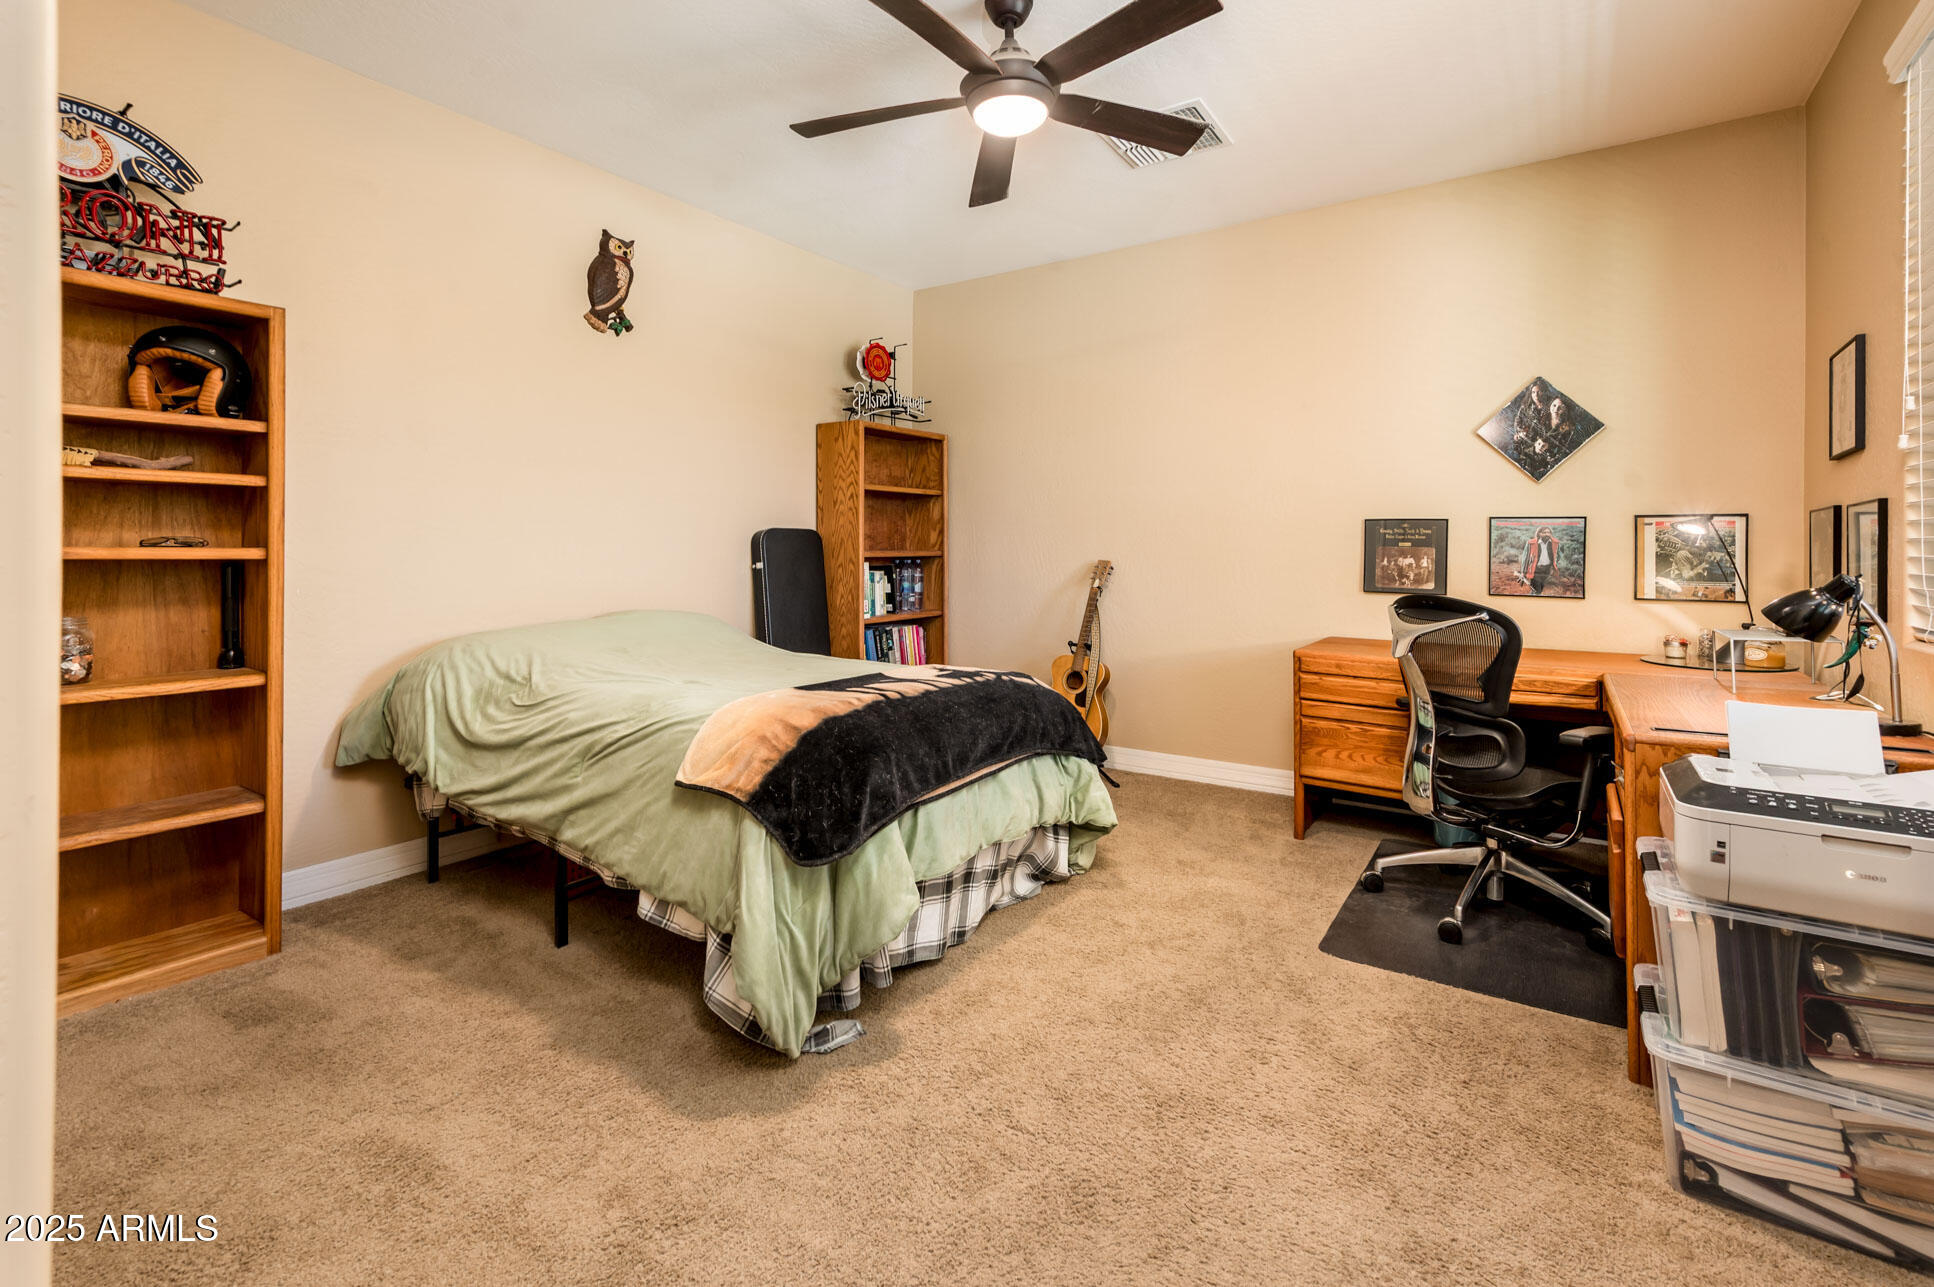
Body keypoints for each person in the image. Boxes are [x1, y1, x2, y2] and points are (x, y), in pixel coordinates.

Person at [1517, 525, 1559, 595]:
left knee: (1539, 589)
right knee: (1537, 591)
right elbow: (1526, 558)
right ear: (1539, 533)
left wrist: (1554, 564)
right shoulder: (1531, 543)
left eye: (1548, 532)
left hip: (1547, 570)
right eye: (1544, 532)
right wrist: (1523, 572)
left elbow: (1558, 555)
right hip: (1535, 570)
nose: (1547, 534)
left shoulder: (1554, 543)